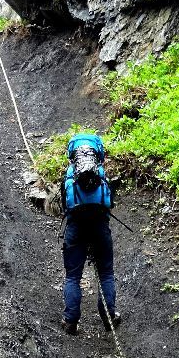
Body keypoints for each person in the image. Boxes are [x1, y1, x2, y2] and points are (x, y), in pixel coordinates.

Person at [60, 132, 120, 335]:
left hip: (76, 229)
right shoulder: (101, 176)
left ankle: (70, 321)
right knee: (106, 274)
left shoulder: (70, 177)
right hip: (100, 228)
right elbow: (110, 204)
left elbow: (65, 208)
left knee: (73, 277)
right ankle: (109, 317)